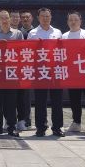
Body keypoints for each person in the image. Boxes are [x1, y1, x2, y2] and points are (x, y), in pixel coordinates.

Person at [28, 8, 64, 137]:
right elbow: (28, 52)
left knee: (57, 100)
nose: (45, 18)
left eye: (47, 16)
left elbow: (62, 50)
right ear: (38, 18)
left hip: (55, 69)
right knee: (40, 101)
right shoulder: (32, 33)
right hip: (40, 70)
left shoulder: (58, 32)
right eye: (43, 16)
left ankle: (57, 127)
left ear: (51, 17)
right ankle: (41, 127)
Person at [0, 10, 24, 137]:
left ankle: (11, 127)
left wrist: (8, 47)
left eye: (6, 18)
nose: (4, 20)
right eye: (2, 18)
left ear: (10, 19)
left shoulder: (18, 34)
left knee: (11, 102)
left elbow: (22, 51)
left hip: (12, 72)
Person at [62, 11, 85, 134]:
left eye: (76, 19)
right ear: (67, 22)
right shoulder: (64, 36)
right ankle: (76, 122)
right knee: (74, 99)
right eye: (71, 20)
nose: (73, 22)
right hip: (73, 72)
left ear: (80, 21)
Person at [16, 10, 34, 131]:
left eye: (27, 17)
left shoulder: (36, 32)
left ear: (32, 18)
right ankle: (21, 120)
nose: (25, 19)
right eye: (23, 18)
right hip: (20, 68)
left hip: (35, 66)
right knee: (22, 95)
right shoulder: (18, 33)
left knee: (30, 96)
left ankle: (28, 120)